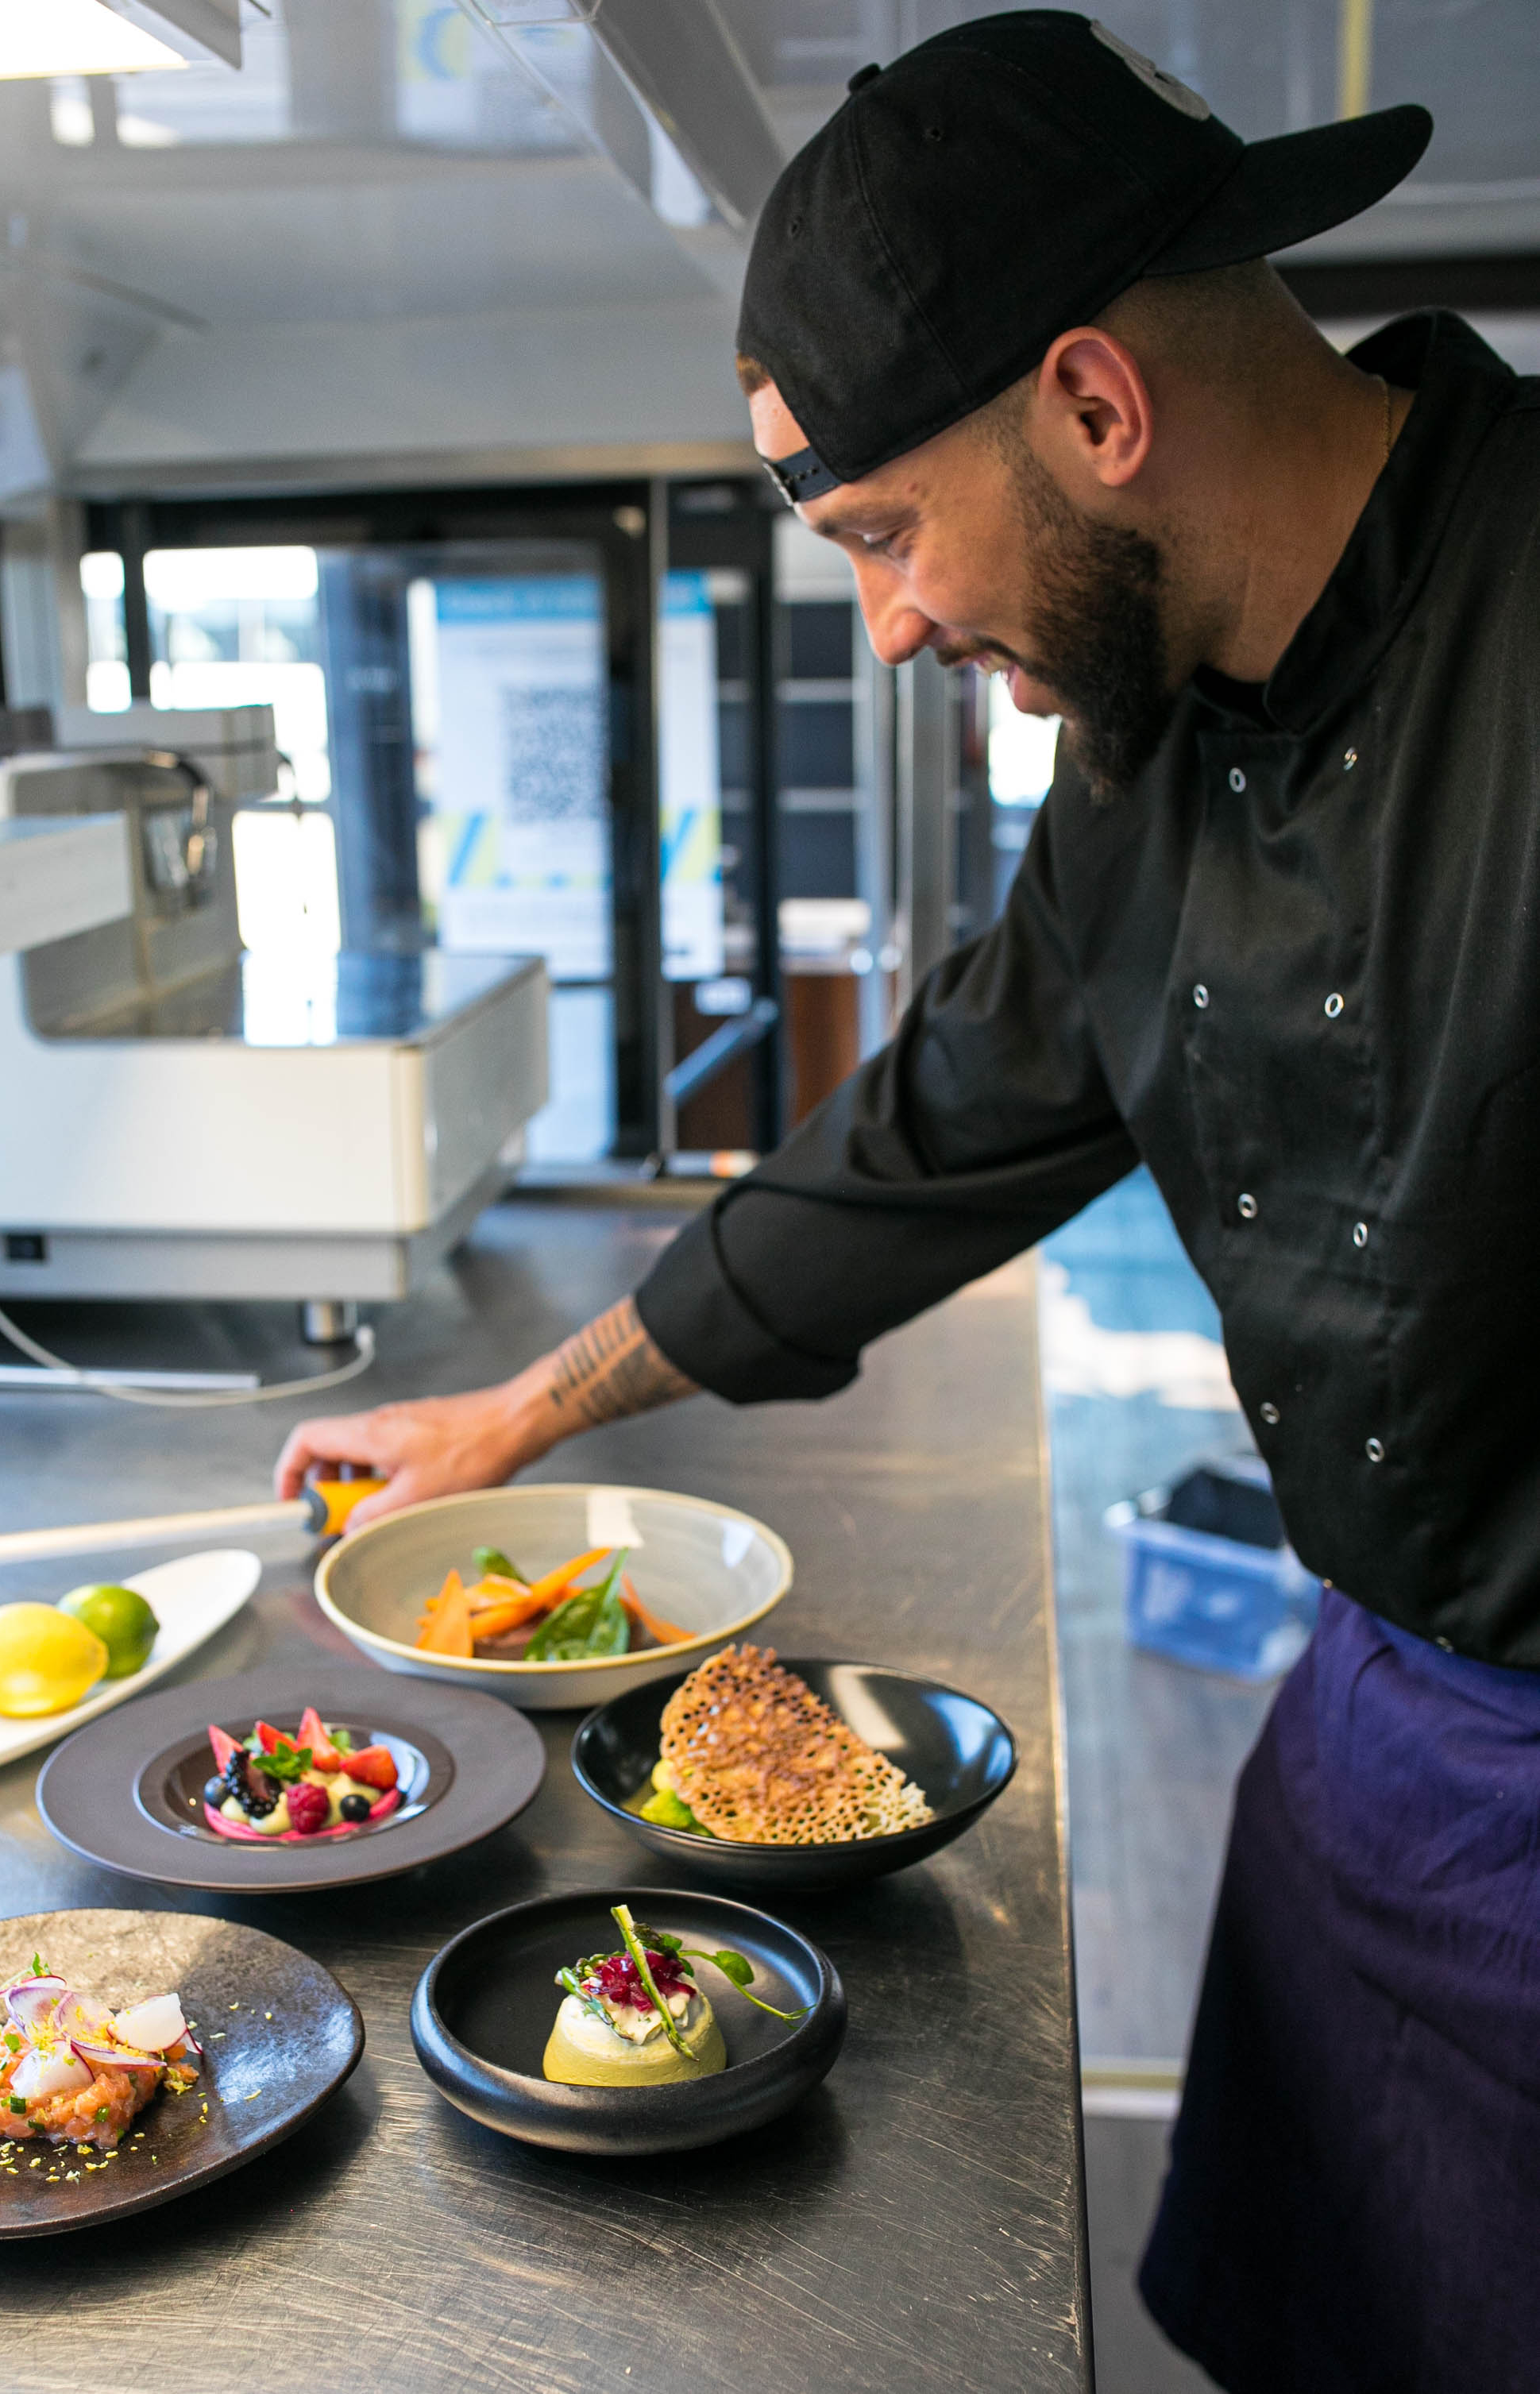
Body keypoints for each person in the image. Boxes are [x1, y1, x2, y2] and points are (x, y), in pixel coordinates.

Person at [277, 15, 1540, 2388]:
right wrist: (515, 1425)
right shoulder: (1153, 757)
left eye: (875, 533)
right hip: (1372, 1719)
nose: (884, 620)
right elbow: (934, 1127)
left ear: (1090, 405)